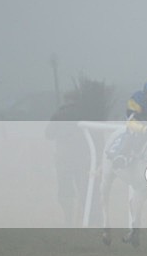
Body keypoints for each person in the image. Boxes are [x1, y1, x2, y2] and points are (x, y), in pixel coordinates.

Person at [46, 79, 112, 225]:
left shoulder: (60, 114)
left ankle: (69, 221)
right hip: (84, 160)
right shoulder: (88, 113)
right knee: (87, 192)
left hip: (65, 160)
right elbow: (98, 137)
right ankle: (94, 220)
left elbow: (48, 134)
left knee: (66, 192)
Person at [108, 78, 147, 168]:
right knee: (132, 136)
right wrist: (143, 129)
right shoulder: (136, 100)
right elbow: (130, 122)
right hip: (136, 125)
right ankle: (122, 156)